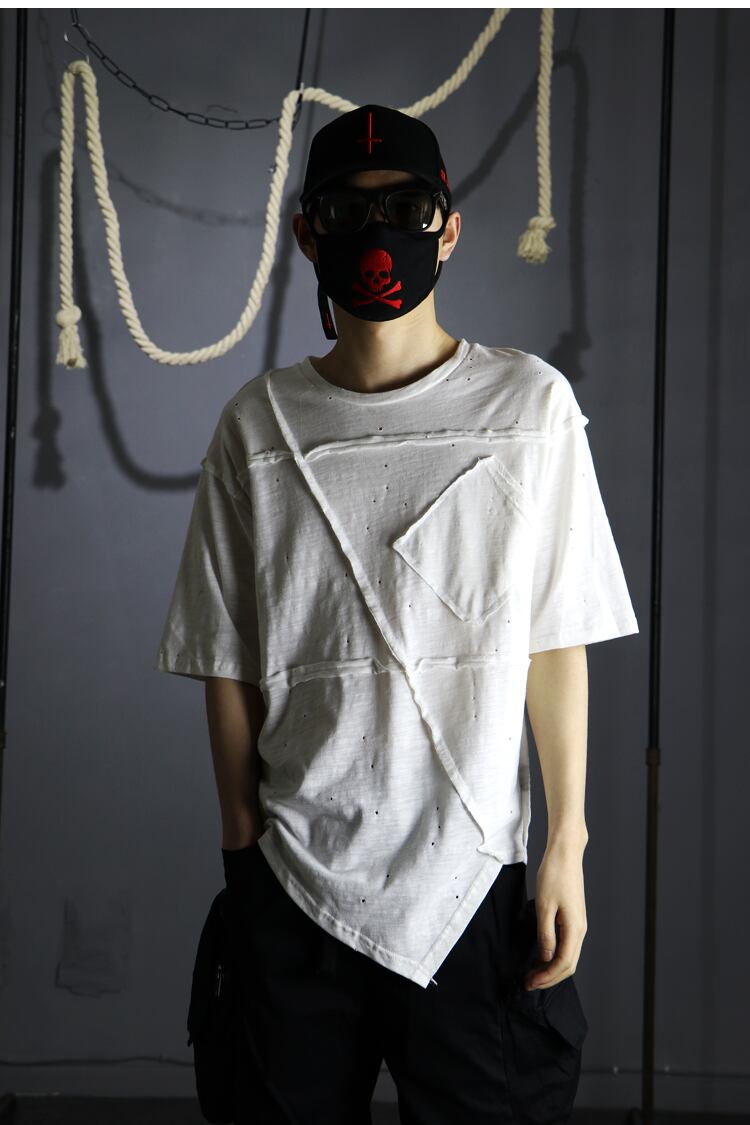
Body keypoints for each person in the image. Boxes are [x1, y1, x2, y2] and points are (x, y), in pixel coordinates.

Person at [154, 103, 639, 1124]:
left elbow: (556, 638)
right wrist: (243, 856)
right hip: (296, 879)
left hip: (472, 878)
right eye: (347, 211)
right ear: (308, 233)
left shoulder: (530, 408)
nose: (378, 233)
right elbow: (224, 654)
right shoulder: (256, 426)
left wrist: (566, 845)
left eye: (407, 208)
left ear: (448, 227)